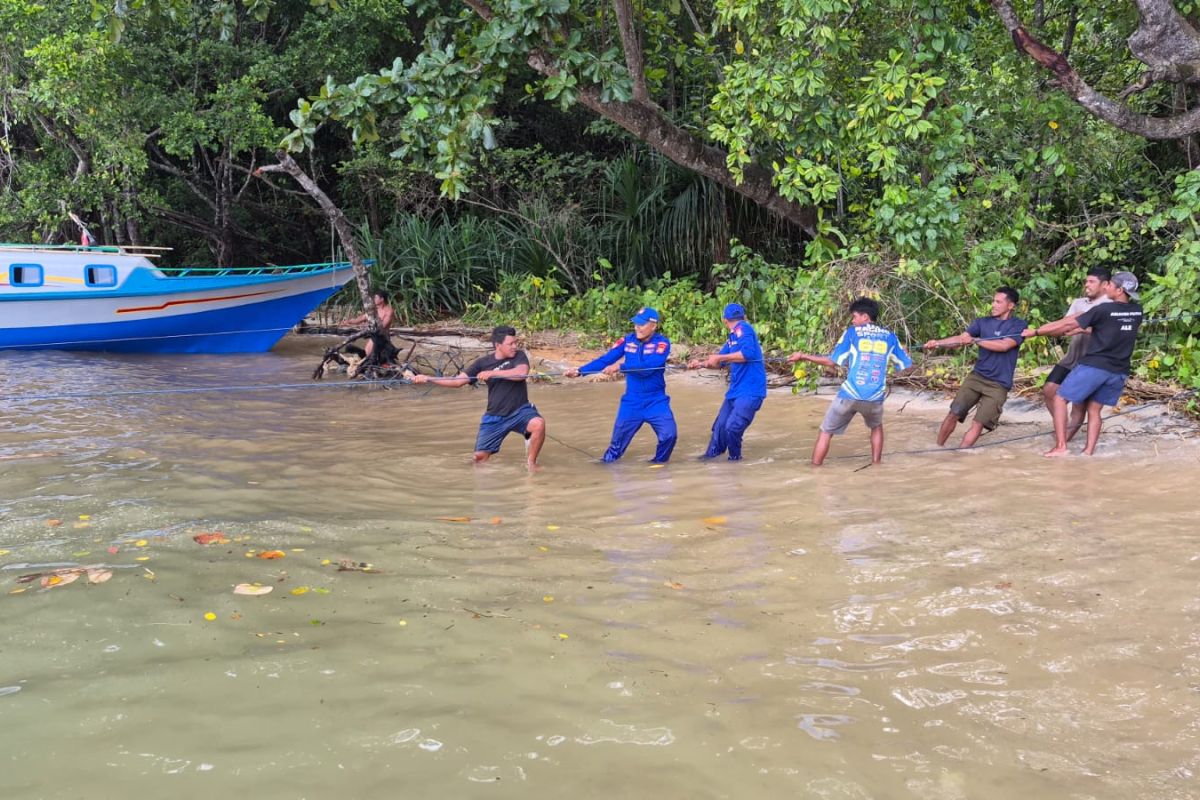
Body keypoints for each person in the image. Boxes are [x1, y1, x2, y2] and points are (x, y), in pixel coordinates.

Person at [1025, 271, 1143, 457]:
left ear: (1119, 290)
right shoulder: (1137, 311)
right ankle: (1088, 452)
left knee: (1059, 397)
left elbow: (1068, 325)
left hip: (1095, 366)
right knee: (1094, 410)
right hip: (1118, 371)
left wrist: (1036, 332)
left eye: (1110, 285)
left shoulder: (1103, 310)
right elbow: (1109, 328)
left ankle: (1061, 446)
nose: (1107, 288)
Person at [788, 297, 913, 466]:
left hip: (850, 394)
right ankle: (876, 465)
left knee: (825, 431)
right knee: (876, 427)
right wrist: (904, 351)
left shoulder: (852, 333)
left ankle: (815, 469)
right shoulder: (890, 337)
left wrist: (802, 356)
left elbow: (832, 362)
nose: (853, 321)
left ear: (865, 317)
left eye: (854, 317)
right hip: (874, 396)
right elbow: (907, 366)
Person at [412, 325, 546, 471]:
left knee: (538, 424)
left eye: (515, 342)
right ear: (498, 345)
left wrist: (492, 373)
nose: (514, 346)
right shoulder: (482, 363)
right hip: (494, 416)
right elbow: (457, 382)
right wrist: (429, 378)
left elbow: (521, 374)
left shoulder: (519, 356)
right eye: (510, 344)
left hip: (520, 410)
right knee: (479, 459)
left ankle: (531, 464)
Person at [564, 307, 677, 463]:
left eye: (642, 324)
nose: (637, 327)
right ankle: (606, 472)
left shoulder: (662, 344)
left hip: (656, 400)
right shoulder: (627, 341)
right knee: (615, 448)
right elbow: (606, 359)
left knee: (669, 436)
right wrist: (580, 371)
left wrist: (621, 367)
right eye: (636, 323)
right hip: (632, 402)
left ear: (653, 325)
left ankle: (658, 465)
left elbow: (649, 368)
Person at [923, 287, 1027, 448]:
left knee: (978, 423)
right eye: (993, 301)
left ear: (1011, 306)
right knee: (953, 413)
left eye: (998, 302)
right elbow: (961, 338)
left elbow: (1005, 345)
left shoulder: (1018, 325)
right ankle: (937, 449)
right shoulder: (981, 322)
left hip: (998, 384)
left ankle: (960, 453)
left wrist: (975, 340)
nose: (993, 304)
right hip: (976, 377)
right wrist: (937, 343)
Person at [687, 303, 768, 461]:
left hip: (750, 391)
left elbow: (747, 354)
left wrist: (719, 357)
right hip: (735, 392)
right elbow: (719, 362)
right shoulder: (732, 339)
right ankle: (710, 461)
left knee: (732, 427)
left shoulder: (743, 328)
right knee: (720, 428)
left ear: (724, 320)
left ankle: (735, 460)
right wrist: (701, 363)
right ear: (743, 316)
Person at [1040, 267, 1111, 442]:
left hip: (1092, 362)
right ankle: (1062, 427)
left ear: (1105, 285)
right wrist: (1048, 330)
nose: (1087, 285)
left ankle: (1064, 441)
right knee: (1049, 389)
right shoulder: (1079, 303)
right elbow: (1066, 324)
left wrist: (1080, 328)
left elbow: (1107, 332)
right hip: (1071, 357)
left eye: (1091, 282)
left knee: (1079, 405)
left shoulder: (1109, 305)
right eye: (1086, 281)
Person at [340, 290, 395, 360]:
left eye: (375, 298)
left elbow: (383, 325)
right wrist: (348, 322)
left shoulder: (389, 311)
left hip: (382, 337)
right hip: (373, 336)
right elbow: (359, 319)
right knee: (367, 354)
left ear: (382, 299)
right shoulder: (374, 311)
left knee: (368, 355)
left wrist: (368, 326)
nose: (374, 300)